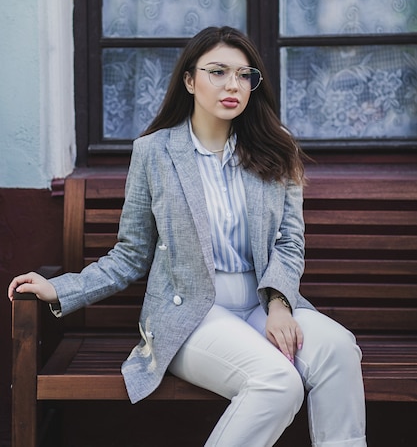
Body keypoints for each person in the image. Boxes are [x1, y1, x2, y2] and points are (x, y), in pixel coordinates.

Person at [8, 26, 367, 447]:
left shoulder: (275, 149)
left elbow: (289, 242)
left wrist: (280, 304)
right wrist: (60, 288)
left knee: (340, 349)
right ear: (190, 80)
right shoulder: (154, 153)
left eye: (243, 74)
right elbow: (131, 254)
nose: (232, 84)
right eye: (217, 72)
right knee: (277, 382)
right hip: (190, 313)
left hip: (262, 303)